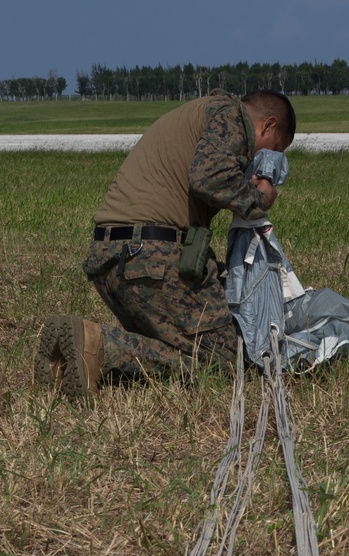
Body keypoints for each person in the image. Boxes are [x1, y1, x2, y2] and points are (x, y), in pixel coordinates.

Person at [34, 89, 296, 400]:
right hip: (150, 256)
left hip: (112, 256)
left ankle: (71, 358)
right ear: (267, 125)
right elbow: (209, 177)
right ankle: (101, 345)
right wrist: (259, 197)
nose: (262, 159)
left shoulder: (202, 112)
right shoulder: (232, 117)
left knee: (176, 348)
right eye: (274, 149)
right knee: (225, 361)